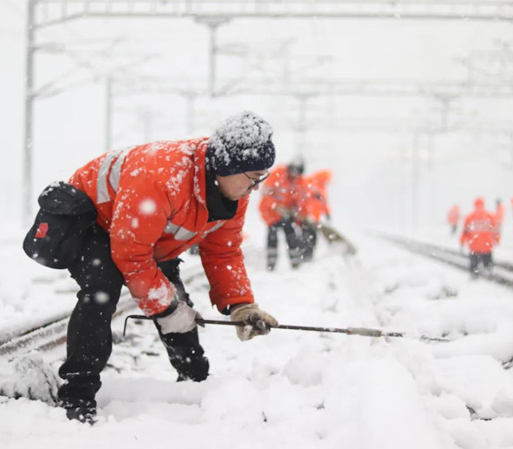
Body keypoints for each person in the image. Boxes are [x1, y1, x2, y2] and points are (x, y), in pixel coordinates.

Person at [23, 111, 279, 423]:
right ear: (226, 167)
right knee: (103, 290)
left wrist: (242, 305)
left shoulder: (232, 192)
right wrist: (167, 307)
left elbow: (223, 252)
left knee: (175, 300)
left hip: (150, 231)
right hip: (95, 221)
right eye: (254, 178)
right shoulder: (161, 177)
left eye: (262, 178)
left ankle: (196, 381)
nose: (256, 188)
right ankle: (77, 395)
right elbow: (132, 258)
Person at [258, 157, 305, 270]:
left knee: (291, 236)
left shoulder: (298, 181)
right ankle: (271, 264)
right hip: (272, 214)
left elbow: (299, 199)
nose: (294, 175)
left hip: (287, 215)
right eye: (293, 172)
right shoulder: (277, 175)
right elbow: (265, 195)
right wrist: (276, 206)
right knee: (272, 237)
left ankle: (295, 263)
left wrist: (297, 211)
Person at [297, 169, 332, 262]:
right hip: (306, 218)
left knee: (312, 238)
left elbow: (324, 203)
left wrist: (327, 213)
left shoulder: (322, 188)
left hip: (314, 220)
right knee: (307, 237)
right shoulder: (310, 185)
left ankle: (309, 257)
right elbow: (305, 201)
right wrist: (307, 215)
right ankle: (304, 257)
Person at [460, 197, 499, 278]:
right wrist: (496, 239)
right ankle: (488, 276)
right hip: (487, 246)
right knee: (488, 266)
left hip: (474, 247)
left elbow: (465, 231)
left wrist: (462, 241)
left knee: (474, 266)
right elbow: (495, 230)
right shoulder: (489, 215)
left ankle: (474, 276)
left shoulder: (470, 216)